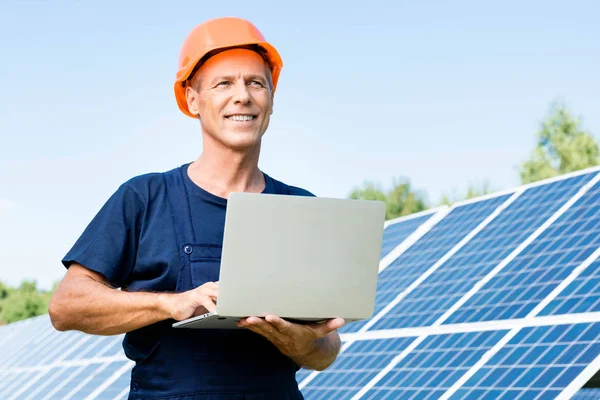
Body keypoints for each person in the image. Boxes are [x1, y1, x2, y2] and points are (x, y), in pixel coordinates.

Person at [49, 17, 344, 400]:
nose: (243, 96)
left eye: (256, 82)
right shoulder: (144, 197)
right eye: (224, 83)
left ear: (271, 99)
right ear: (192, 99)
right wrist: (171, 303)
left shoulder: (301, 209)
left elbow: (325, 352)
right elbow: (66, 307)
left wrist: (298, 341)